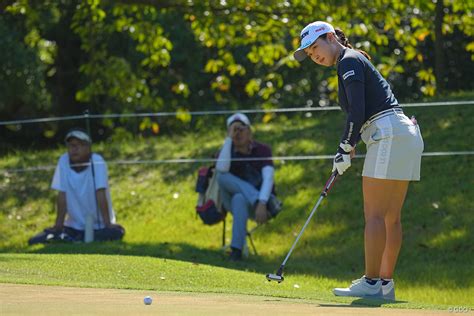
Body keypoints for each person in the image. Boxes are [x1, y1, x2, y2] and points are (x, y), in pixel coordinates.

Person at [293, 21, 424, 300]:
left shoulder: (347, 61)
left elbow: (357, 111)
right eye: (309, 53)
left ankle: (371, 281)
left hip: (388, 134)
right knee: (391, 218)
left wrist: (345, 145)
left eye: (315, 47)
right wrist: (350, 146)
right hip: (405, 133)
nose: (314, 56)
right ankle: (384, 286)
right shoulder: (354, 60)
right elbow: (361, 112)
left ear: (331, 37)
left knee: (375, 215)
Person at [28, 129, 125, 245]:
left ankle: (77, 239)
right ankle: (75, 238)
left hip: (98, 226)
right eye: (71, 145)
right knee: (35, 240)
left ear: (88, 148)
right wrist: (58, 226)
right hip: (73, 226)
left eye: (80, 145)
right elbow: (62, 195)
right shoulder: (63, 160)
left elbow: (100, 192)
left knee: (117, 232)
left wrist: (107, 224)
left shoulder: (97, 161)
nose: (75, 149)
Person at [216, 113, 281, 261]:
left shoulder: (263, 150)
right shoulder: (226, 151)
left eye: (241, 129)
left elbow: (268, 177)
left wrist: (262, 203)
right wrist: (228, 139)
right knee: (222, 176)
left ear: (249, 131)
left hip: (262, 207)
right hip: (230, 201)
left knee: (239, 198)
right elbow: (221, 169)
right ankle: (255, 199)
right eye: (234, 130)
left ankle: (236, 251)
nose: (237, 133)